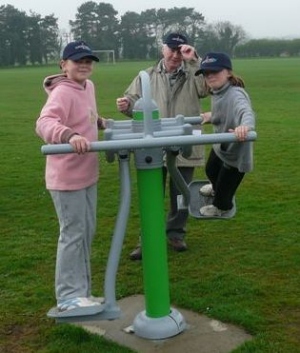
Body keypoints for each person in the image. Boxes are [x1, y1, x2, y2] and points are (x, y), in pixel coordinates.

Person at [116, 33, 209, 260]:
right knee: (151, 195)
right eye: (172, 49)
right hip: (153, 145)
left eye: (181, 50)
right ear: (162, 49)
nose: (176, 55)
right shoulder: (145, 76)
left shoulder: (193, 72)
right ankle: (146, 239)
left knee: (182, 195)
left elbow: (206, 89)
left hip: (184, 143)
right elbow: (134, 104)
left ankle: (176, 233)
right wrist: (126, 105)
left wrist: (195, 60)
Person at [36, 41, 107, 314]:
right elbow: (44, 123)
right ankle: (68, 296)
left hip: (88, 173)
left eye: (89, 60)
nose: (85, 65)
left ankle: (83, 292)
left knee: (86, 233)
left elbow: (86, 114)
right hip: (66, 178)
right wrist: (70, 135)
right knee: (72, 234)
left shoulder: (88, 87)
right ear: (63, 65)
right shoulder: (62, 92)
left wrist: (100, 122)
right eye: (78, 60)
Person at [196, 52, 255, 217]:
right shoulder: (218, 91)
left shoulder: (236, 93)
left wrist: (245, 126)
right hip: (221, 145)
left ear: (228, 72)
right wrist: (211, 116)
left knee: (225, 186)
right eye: (206, 73)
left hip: (235, 150)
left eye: (215, 72)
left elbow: (245, 111)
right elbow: (222, 112)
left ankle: (221, 207)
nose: (210, 76)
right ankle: (215, 188)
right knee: (211, 171)